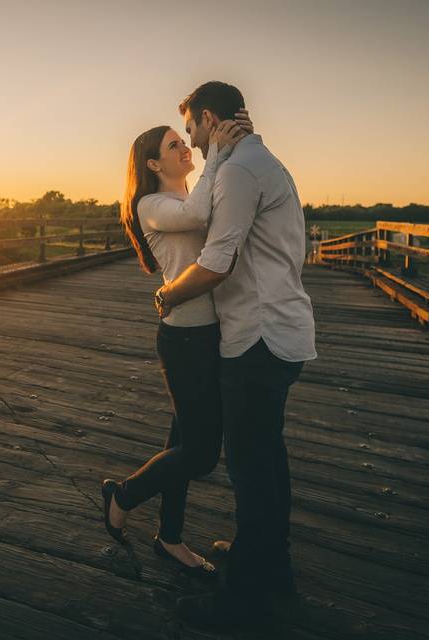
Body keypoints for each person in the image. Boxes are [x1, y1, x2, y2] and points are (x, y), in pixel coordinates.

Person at [154, 81, 317, 629]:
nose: (195, 144)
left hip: (257, 337)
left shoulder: (238, 171)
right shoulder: (262, 161)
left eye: (193, 130)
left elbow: (218, 260)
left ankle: (242, 603)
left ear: (206, 118)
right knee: (269, 459)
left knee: (250, 471)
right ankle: (273, 564)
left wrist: (170, 293)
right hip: (279, 332)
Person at [100, 110, 253, 579]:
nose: (185, 148)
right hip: (185, 339)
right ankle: (122, 495)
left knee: (182, 442)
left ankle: (169, 537)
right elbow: (200, 214)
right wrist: (219, 152)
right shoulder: (154, 206)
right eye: (173, 146)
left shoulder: (185, 194)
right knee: (202, 454)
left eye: (183, 141)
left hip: (208, 334)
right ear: (151, 164)